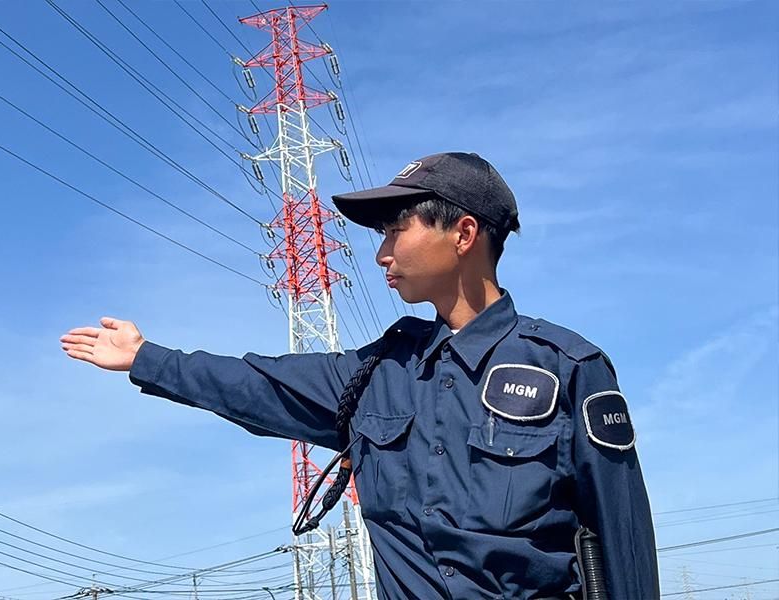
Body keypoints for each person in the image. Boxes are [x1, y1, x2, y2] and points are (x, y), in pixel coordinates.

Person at [60, 152, 659, 600]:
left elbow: (624, 539)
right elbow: (258, 384)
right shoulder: (375, 374)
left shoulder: (568, 367)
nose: (381, 254)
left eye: (397, 230)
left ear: (463, 234)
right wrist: (146, 357)